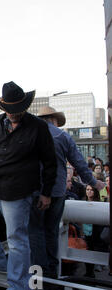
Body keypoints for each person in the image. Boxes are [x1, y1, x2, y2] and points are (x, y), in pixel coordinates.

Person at [0, 81, 57, 290]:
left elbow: (50, 162)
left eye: (17, 110)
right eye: (10, 110)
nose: (14, 114)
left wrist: (46, 192)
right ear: (3, 108)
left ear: (25, 107)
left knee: (16, 240)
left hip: (18, 192)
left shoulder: (38, 127)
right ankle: (2, 267)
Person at [28, 106, 106, 281]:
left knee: (34, 232)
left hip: (34, 190)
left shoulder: (31, 134)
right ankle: (52, 274)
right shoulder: (62, 136)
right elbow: (79, 164)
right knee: (52, 232)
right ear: (55, 119)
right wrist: (95, 183)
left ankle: (39, 277)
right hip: (56, 191)